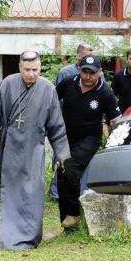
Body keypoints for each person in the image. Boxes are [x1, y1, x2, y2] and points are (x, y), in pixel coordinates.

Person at [0, 51, 70, 250]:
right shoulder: (7, 85)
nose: (31, 74)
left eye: (35, 70)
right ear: (20, 68)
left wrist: (61, 154)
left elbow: (57, 125)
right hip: (9, 148)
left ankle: (29, 238)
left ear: (40, 68)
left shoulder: (48, 89)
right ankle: (9, 239)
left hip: (34, 149)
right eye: (27, 70)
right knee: (10, 192)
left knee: (32, 193)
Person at [56, 55, 121, 229]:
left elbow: (116, 120)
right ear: (79, 69)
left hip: (90, 139)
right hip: (66, 136)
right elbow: (52, 101)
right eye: (85, 72)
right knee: (61, 175)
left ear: (99, 72)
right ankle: (67, 222)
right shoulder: (68, 83)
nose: (88, 77)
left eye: (92, 73)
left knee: (70, 168)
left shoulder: (105, 92)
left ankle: (74, 213)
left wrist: (116, 142)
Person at [49, 42, 95, 201]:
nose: (90, 58)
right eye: (87, 54)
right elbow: (55, 99)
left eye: (92, 55)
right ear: (78, 56)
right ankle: (56, 193)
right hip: (64, 123)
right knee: (61, 157)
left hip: (86, 126)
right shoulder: (65, 72)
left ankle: (81, 193)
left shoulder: (96, 74)